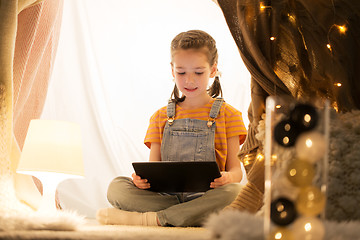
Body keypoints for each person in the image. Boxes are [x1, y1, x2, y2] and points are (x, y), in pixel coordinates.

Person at [96, 30, 247, 227]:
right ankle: (187, 215)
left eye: (198, 72)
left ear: (213, 70)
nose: (189, 80)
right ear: (172, 70)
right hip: (166, 197)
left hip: (209, 195)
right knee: (116, 187)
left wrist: (228, 178)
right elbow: (153, 170)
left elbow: (237, 172)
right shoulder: (160, 116)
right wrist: (141, 181)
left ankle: (153, 219)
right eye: (181, 72)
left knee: (236, 193)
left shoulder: (229, 115)